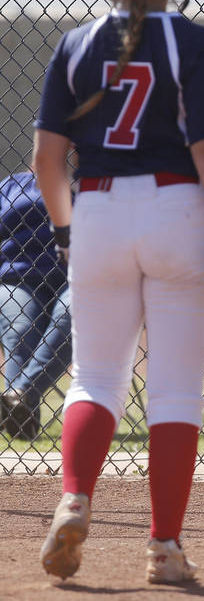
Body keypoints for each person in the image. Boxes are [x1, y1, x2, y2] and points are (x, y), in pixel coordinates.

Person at [33, 0, 204, 583]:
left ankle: (76, 494)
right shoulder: (193, 42)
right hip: (178, 212)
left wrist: (68, 229)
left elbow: (47, 158)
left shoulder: (74, 43)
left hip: (97, 208)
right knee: (173, 396)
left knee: (96, 378)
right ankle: (163, 548)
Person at [0, 170, 72, 441]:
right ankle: (20, 420)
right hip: (18, 276)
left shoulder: (91, 178)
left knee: (69, 316)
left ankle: (20, 395)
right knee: (21, 327)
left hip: (77, 275)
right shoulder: (12, 184)